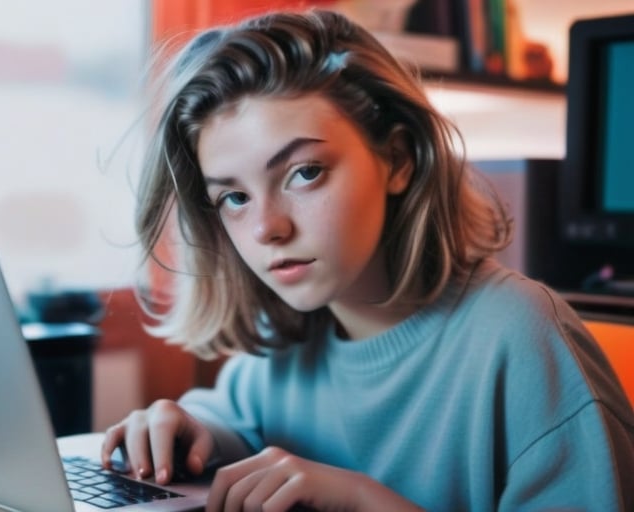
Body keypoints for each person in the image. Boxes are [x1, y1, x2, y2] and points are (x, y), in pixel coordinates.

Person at [101, 9, 634, 511]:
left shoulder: (521, 337)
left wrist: (366, 501)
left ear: (398, 160)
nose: (267, 228)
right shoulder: (287, 344)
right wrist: (187, 425)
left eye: (304, 172)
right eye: (234, 197)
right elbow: (229, 416)